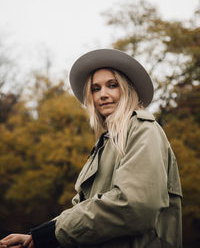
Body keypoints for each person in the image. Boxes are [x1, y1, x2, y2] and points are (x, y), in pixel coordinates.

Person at [0, 49, 182, 248]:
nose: (103, 94)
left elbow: (135, 205)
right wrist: (35, 238)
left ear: (127, 89)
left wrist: (51, 234)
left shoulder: (143, 130)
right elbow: (84, 211)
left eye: (112, 86)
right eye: (96, 89)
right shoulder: (104, 144)